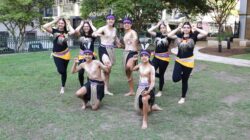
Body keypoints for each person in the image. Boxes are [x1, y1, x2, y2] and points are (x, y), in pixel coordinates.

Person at [167, 22, 208, 104]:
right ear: (182, 28)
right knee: (175, 79)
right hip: (179, 60)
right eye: (184, 27)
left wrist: (195, 28)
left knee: (184, 81)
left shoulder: (194, 36)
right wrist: (178, 28)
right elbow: (169, 35)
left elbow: (205, 33)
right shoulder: (179, 35)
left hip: (189, 61)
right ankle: (187, 75)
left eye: (187, 27)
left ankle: (183, 97)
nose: (186, 29)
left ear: (190, 28)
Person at [42, 17, 75, 94]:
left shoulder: (66, 32)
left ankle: (63, 87)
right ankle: (61, 72)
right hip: (57, 54)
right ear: (57, 23)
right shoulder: (54, 31)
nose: (61, 24)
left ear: (64, 24)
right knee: (61, 70)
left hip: (66, 53)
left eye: (62, 23)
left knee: (64, 72)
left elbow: (73, 32)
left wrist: (69, 24)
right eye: (59, 23)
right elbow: (44, 26)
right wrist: (54, 20)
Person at [92, 14, 121, 96]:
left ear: (114, 21)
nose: (110, 20)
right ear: (106, 20)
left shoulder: (114, 29)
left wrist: (118, 42)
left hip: (111, 50)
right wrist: (99, 34)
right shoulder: (103, 28)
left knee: (108, 71)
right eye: (109, 19)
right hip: (103, 49)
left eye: (112, 19)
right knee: (107, 65)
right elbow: (94, 34)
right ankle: (99, 75)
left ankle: (106, 89)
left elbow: (115, 38)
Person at [133, 50, 162, 129]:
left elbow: (152, 82)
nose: (144, 57)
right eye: (142, 56)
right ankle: (153, 107)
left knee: (144, 99)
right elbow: (133, 69)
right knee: (142, 112)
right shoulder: (140, 65)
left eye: (146, 55)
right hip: (140, 88)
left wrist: (148, 91)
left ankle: (144, 121)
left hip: (149, 88)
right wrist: (135, 61)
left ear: (149, 57)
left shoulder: (151, 67)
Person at [147, 20, 171, 97]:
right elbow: (149, 30)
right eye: (161, 28)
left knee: (161, 74)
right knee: (150, 70)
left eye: (164, 28)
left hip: (164, 59)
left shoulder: (169, 36)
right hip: (156, 57)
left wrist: (167, 24)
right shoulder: (158, 34)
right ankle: (150, 85)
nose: (162, 29)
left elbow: (170, 32)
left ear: (166, 28)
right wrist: (157, 25)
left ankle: (160, 91)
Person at [74, 20, 97, 87]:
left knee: (90, 71)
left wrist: (91, 24)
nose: (86, 27)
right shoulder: (80, 35)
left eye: (87, 26)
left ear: (89, 27)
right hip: (82, 55)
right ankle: (82, 86)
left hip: (91, 55)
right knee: (80, 72)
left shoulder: (92, 35)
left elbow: (96, 31)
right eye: (84, 26)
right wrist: (81, 24)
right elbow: (76, 31)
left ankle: (88, 85)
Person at [122, 17, 139, 96]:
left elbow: (135, 38)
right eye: (125, 23)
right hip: (125, 53)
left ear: (131, 24)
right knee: (127, 72)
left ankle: (140, 67)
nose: (126, 24)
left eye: (128, 23)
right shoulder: (125, 33)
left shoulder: (133, 32)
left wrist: (133, 40)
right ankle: (131, 91)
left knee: (129, 67)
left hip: (132, 53)